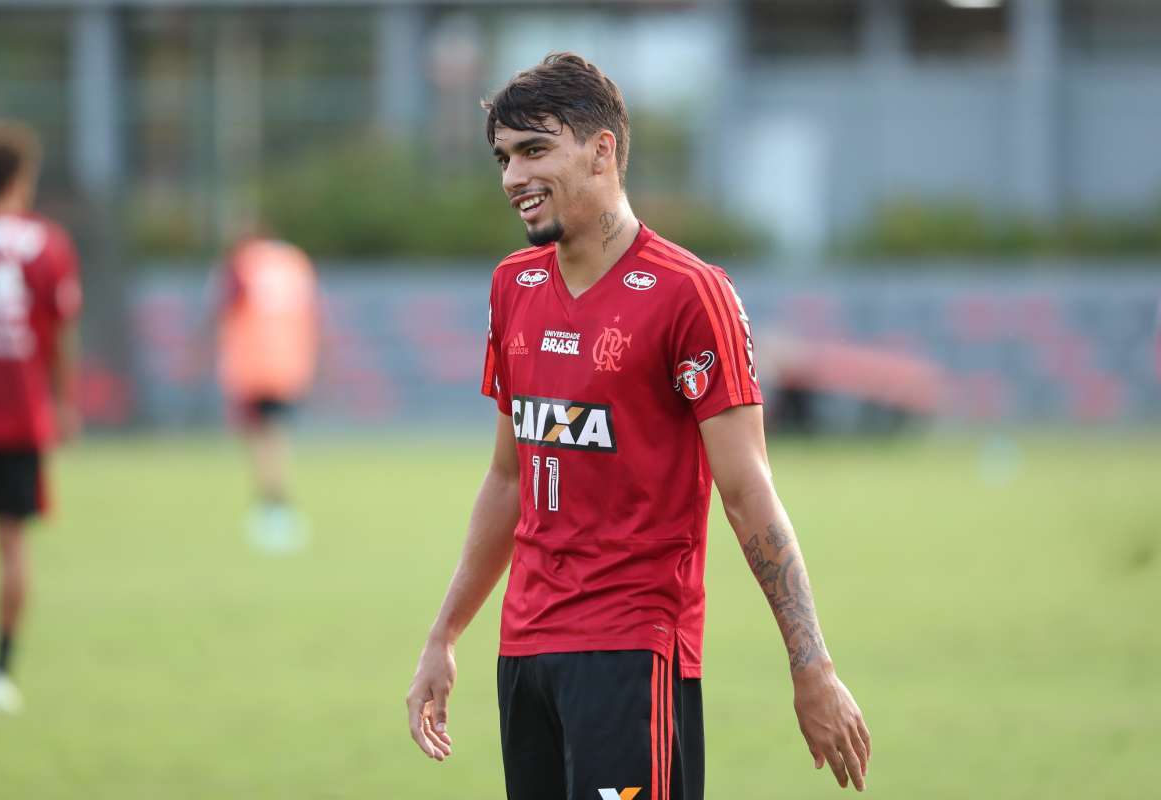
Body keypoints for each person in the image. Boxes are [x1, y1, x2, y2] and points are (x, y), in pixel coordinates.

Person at [406, 53, 871, 799]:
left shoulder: (692, 295)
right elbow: (508, 478)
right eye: (503, 157)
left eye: (534, 150)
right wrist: (445, 634)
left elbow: (749, 492)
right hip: (524, 656)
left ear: (603, 150)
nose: (512, 177)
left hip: (631, 653)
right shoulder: (513, 287)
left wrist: (810, 665)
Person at [0, 122, 82, 713]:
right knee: (11, 543)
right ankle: (0, 673)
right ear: (17, 180)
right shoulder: (45, 242)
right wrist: (63, 401)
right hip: (18, 413)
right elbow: (59, 333)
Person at [213, 232, 319, 553]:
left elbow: (225, 307)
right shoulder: (294, 260)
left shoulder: (242, 264)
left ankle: (273, 505)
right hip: (290, 361)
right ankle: (275, 504)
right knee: (275, 433)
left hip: (253, 362)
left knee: (260, 435)